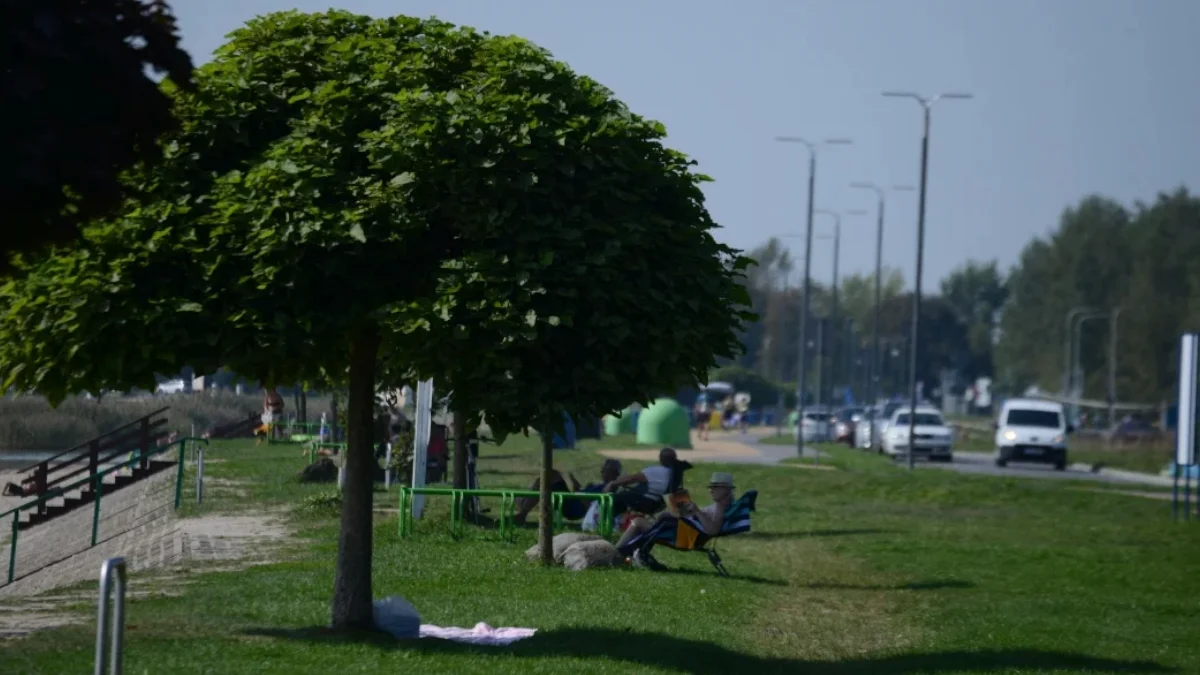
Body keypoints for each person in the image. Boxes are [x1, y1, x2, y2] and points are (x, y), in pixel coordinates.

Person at [617, 471, 736, 570]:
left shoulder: (720, 507)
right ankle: (637, 555)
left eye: (715, 487)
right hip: (686, 533)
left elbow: (712, 530)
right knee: (662, 515)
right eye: (711, 487)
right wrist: (690, 512)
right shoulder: (723, 506)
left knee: (639, 522)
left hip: (683, 538)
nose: (711, 490)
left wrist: (696, 511)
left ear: (725, 488)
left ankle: (618, 554)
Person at [513, 459, 622, 525]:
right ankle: (522, 505)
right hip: (571, 500)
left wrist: (580, 494)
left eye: (607, 470)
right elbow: (580, 493)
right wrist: (576, 485)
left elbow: (592, 507)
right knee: (543, 480)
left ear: (616, 473)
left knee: (551, 475)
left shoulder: (610, 488)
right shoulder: (596, 485)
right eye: (603, 470)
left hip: (574, 508)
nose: (603, 472)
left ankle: (522, 510)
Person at [605, 447, 691, 516]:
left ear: (660, 459)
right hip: (658, 505)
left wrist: (613, 483)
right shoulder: (676, 475)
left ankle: (610, 523)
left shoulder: (655, 471)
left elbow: (632, 478)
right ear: (675, 459)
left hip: (646, 502)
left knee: (616, 498)